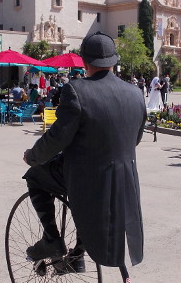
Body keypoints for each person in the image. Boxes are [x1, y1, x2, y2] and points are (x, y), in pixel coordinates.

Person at [22, 31, 147, 270]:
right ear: (114, 60)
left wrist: (32, 157)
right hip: (124, 180)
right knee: (77, 184)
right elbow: (135, 140)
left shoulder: (76, 90)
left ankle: (52, 239)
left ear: (85, 63)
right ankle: (77, 255)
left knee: (35, 176)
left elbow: (56, 138)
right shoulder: (135, 93)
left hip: (86, 179)